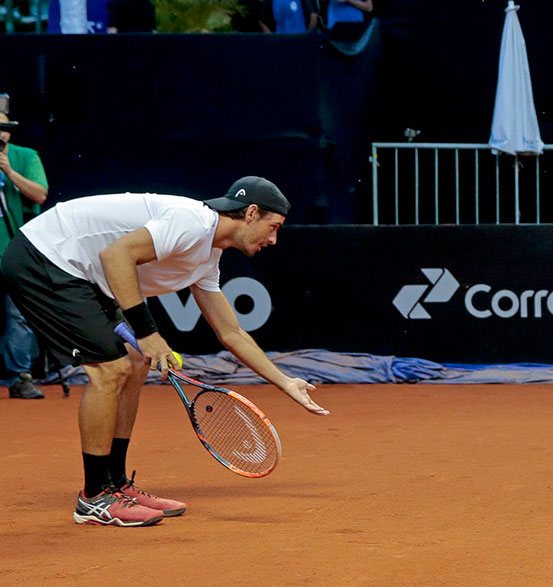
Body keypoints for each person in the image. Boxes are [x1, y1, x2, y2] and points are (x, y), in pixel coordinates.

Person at [0, 176, 329, 527]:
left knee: (136, 362)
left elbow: (231, 332)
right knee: (111, 370)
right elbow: (116, 256)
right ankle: (94, 497)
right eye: (272, 226)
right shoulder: (192, 221)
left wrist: (284, 381)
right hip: (45, 257)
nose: (274, 239)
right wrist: (149, 333)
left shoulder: (207, 258)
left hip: (85, 272)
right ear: (250, 213)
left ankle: (117, 483)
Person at [0, 105, 48, 400]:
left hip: (13, 251)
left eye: (3, 127)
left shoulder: (25, 156)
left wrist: (7, 171)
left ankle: (20, 376)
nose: (0, 134)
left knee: (18, 316)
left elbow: (40, 194)